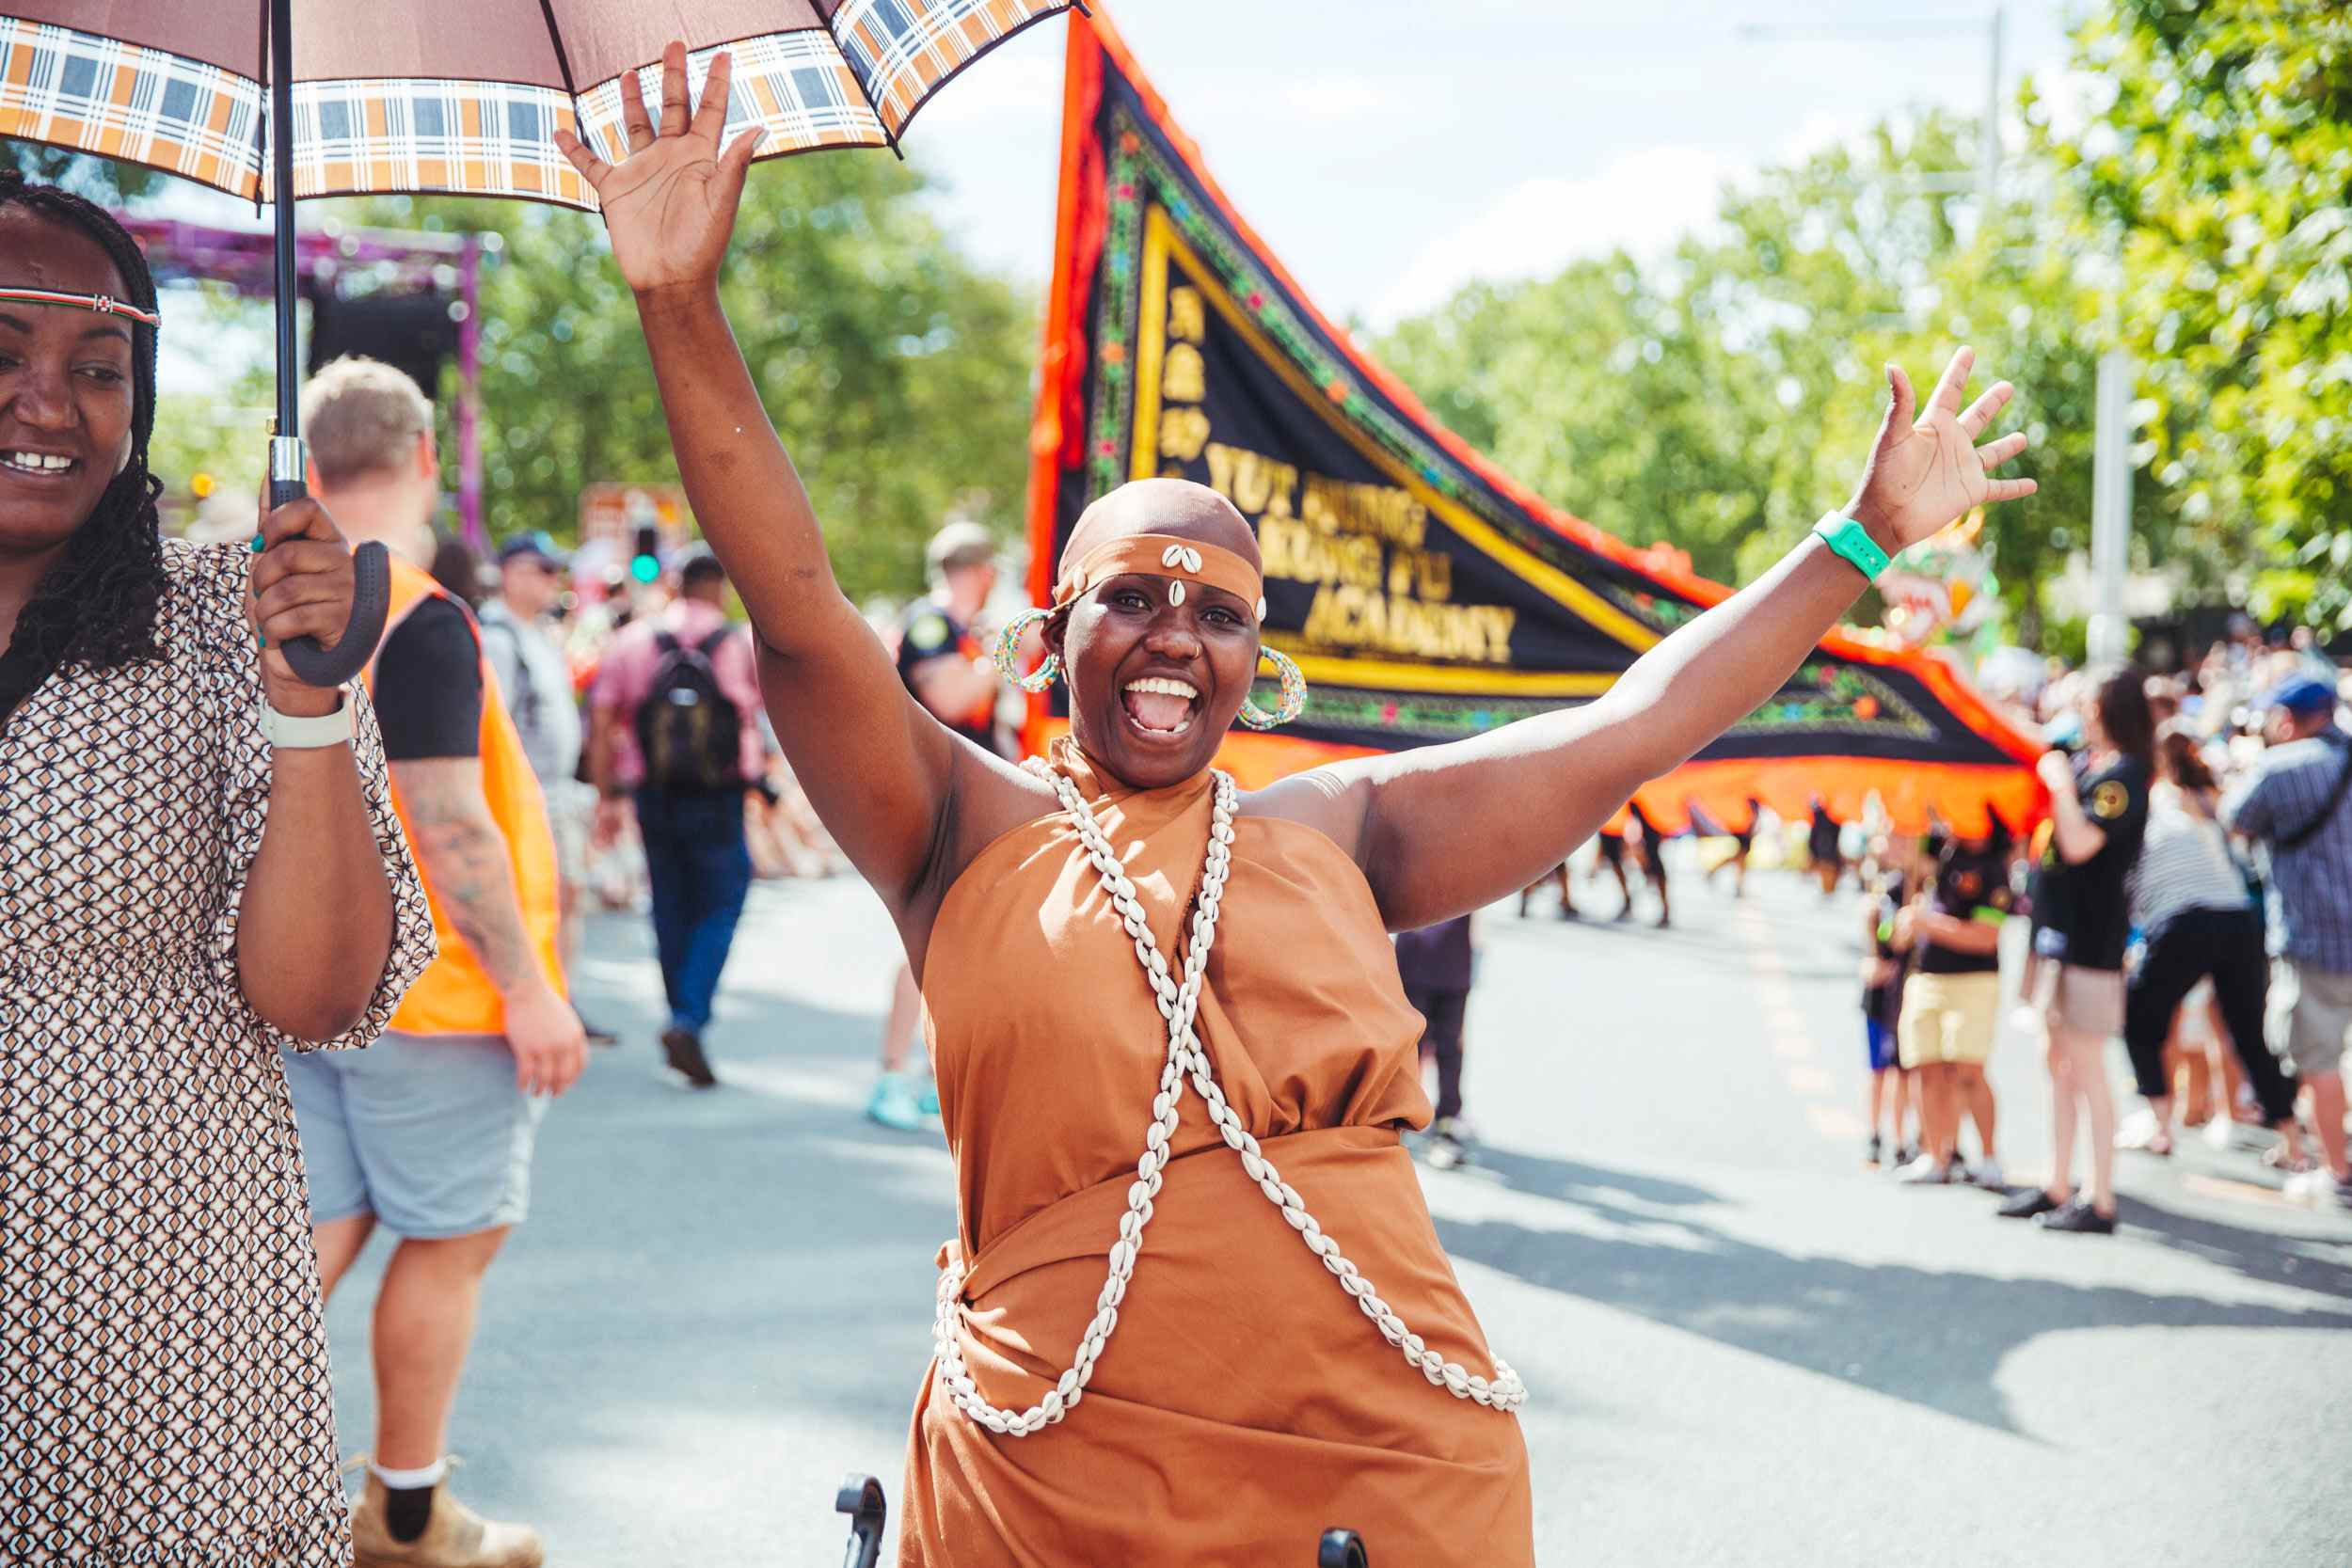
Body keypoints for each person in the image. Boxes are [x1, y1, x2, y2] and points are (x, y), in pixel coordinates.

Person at [553, 48, 2032, 1560]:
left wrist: (1860, 538)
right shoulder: (954, 826)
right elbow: (799, 606)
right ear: (1051, 635)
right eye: (1133, 597)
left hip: (1379, 1474)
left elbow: (1632, 727)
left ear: (1256, 668)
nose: (1175, 637)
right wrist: (680, 303)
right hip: (1047, 1480)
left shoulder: (1345, 831)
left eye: (1219, 614)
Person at [0, 175, 434, 1566]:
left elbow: (318, 995)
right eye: (3, 348)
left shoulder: (224, 616)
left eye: (98, 366)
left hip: (165, 1328)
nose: (49, 401)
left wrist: (307, 702)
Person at [281, 356, 581, 1568]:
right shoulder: (413, 611)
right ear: (421, 457)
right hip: (435, 995)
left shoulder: (260, 602)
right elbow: (450, 824)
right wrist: (530, 988)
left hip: (300, 975)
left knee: (306, 1230)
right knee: (450, 1241)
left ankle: (186, 1463)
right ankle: (405, 1514)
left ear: (309, 467)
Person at [590, 546, 765, 1087]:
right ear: (721, 587)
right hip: (719, 796)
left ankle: (678, 1015)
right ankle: (688, 1019)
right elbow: (765, 716)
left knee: (669, 905)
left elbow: (602, 716)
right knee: (722, 902)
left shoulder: (634, 640)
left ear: (676, 585)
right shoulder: (739, 643)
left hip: (654, 792)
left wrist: (607, 795)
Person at [1999, 669, 2154, 1234]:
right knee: (2059, 1063)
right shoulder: (2093, 764)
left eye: (2089, 703)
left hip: (2091, 942)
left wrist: (2061, 786)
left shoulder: (2125, 776)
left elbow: (2081, 841)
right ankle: (2058, 1182)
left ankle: (2101, 1196)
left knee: (2087, 1068)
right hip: (2057, 938)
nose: (2081, 713)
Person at [2116, 721, 2301, 1160]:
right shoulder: (2205, 800)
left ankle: (2160, 1125)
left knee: (2141, 1017)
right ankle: (2293, 1141)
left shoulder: (2149, 800)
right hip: (2235, 918)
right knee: (2248, 1034)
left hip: (2185, 919)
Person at [871, 519, 1005, 1131]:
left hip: (961, 798)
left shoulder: (961, 630)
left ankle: (927, 1074)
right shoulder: (931, 624)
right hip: (933, 799)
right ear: (981, 572)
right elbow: (950, 701)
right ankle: (892, 1072)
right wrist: (1004, 657)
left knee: (959, 940)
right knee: (926, 938)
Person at [2222, 673, 2352, 1208]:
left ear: (2286, 719)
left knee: (2318, 1061)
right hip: (2324, 934)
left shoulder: (2281, 768)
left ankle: (2338, 1172)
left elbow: (2233, 820)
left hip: (2315, 937)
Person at [480, 531, 612, 1044]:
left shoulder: (535, 632)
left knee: (565, 896)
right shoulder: (498, 637)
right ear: (511, 572)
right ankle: (534, 1004)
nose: (553, 581)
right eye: (544, 570)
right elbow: (494, 727)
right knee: (535, 899)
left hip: (553, 793)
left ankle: (560, 999)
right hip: (525, 797)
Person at [1889, 829, 2010, 1185]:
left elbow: (1985, 937)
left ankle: (1988, 1157)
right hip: (1925, 977)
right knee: (1925, 1068)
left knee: (1968, 1070)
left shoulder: (1993, 867)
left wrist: (1926, 922)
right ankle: (1934, 1155)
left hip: (1973, 980)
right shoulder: (1936, 848)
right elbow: (1898, 847)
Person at [1396, 914, 1478, 1167]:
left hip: (1453, 965)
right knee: (1409, 1047)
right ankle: (1398, 1116)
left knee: (1449, 1047)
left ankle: (1446, 1122)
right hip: (1414, 963)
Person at [1860, 850, 1916, 1167]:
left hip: (1903, 993)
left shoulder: (1915, 887)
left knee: (1901, 1071)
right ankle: (1874, 1133)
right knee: (1878, 1070)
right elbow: (1881, 940)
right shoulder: (1878, 894)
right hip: (1879, 995)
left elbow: (1900, 942)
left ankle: (1899, 1138)